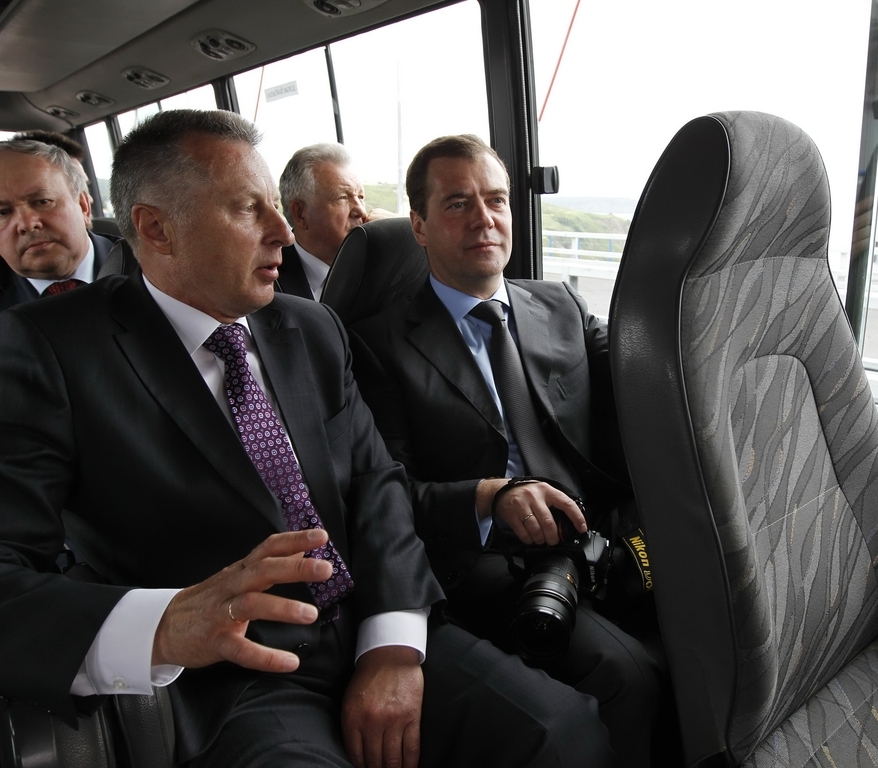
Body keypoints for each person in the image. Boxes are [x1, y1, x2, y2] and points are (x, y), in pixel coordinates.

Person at [0, 111, 615, 768]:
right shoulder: (49, 350)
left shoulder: (313, 329)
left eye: (277, 205)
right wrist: (165, 624)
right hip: (233, 678)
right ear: (156, 228)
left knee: (564, 733)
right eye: (249, 209)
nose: (284, 232)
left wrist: (391, 645)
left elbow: (377, 488)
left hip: (368, 626)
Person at [349, 134, 661, 768]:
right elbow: (388, 495)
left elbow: (649, 378)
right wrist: (492, 498)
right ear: (419, 225)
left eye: (496, 200)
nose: (484, 219)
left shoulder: (560, 303)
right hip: (487, 555)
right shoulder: (376, 345)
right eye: (457, 204)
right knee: (628, 675)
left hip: (596, 533)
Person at [0, 139, 119, 311]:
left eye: (43, 201)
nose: (27, 224)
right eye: (3, 212)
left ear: (83, 206)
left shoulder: (148, 266)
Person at [277, 143, 395, 301]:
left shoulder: (383, 267)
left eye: (360, 197)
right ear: (300, 214)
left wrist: (399, 232)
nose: (361, 211)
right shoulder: (268, 278)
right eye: (343, 197)